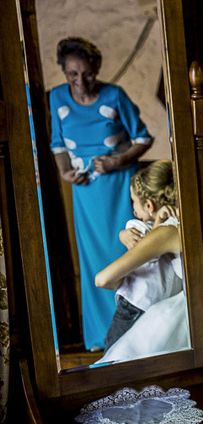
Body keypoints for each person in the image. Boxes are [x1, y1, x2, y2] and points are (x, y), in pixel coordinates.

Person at [49, 37, 153, 350]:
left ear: (97, 68)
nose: (80, 82)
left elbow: (143, 138)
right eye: (72, 75)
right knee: (95, 262)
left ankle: (133, 336)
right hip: (86, 193)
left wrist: (117, 160)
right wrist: (64, 172)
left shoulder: (114, 96)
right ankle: (100, 337)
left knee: (126, 255)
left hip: (120, 187)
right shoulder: (56, 99)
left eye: (87, 74)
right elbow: (57, 144)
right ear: (65, 73)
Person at [96, 160, 182, 351]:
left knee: (113, 361)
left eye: (133, 202)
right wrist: (123, 235)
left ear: (149, 206)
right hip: (159, 307)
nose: (133, 210)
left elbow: (102, 280)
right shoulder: (169, 227)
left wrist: (118, 283)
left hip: (135, 307)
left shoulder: (161, 232)